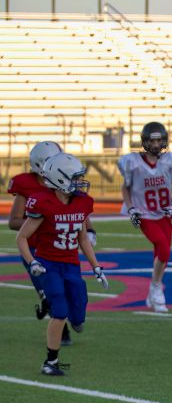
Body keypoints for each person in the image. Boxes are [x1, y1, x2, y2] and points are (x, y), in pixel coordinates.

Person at [16, 153, 109, 376]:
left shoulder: (81, 202)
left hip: (71, 264)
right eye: (74, 177)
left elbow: (83, 239)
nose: (79, 182)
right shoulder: (43, 202)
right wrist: (32, 262)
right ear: (59, 179)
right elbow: (21, 237)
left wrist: (96, 267)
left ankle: (74, 320)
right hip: (48, 264)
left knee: (78, 311)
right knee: (59, 310)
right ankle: (51, 362)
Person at [7, 141, 97, 327]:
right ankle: (60, 329)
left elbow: (78, 211)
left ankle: (69, 319)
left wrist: (89, 230)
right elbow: (14, 221)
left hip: (62, 251)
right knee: (53, 297)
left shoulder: (68, 185)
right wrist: (46, 222)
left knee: (72, 294)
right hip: (37, 250)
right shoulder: (27, 185)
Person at [118, 122, 172, 313]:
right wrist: (131, 209)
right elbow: (125, 188)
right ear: (145, 141)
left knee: (162, 255)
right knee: (163, 248)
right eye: (153, 140)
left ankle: (154, 288)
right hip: (144, 214)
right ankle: (157, 288)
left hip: (164, 214)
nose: (156, 144)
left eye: (159, 140)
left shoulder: (169, 161)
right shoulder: (133, 162)